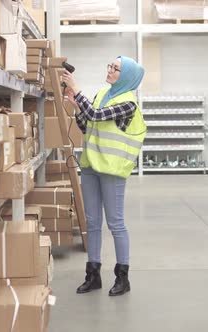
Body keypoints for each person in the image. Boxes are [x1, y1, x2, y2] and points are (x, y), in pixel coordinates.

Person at [61, 56, 146, 296]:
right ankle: (93, 274)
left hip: (111, 169)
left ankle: (122, 277)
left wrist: (77, 91)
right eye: (109, 66)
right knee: (92, 222)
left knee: (115, 223)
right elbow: (88, 125)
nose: (110, 70)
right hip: (90, 165)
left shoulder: (128, 102)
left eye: (116, 68)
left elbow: (97, 116)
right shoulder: (101, 94)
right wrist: (78, 109)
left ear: (127, 76)